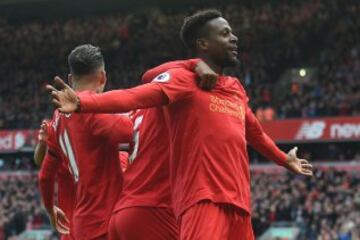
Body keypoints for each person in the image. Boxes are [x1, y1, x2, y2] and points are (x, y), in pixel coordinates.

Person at [47, 10, 313, 240]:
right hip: (200, 200)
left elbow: (253, 131)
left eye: (232, 32)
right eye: (224, 33)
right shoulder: (182, 80)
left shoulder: (234, 89)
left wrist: (283, 159)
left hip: (239, 204)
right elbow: (138, 92)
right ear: (203, 44)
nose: (234, 38)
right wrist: (85, 104)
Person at [42, 44, 134, 240]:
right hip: (105, 222)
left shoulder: (57, 116)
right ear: (103, 77)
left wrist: (50, 209)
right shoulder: (94, 110)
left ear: (69, 79)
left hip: (83, 222)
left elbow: (44, 176)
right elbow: (133, 130)